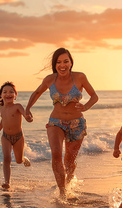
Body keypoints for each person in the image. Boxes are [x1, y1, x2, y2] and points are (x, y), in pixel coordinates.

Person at [25, 48, 98, 198]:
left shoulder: (80, 77)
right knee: (56, 155)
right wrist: (27, 109)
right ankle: (62, 192)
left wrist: (86, 106)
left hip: (77, 123)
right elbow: (36, 93)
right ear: (55, 64)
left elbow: (94, 96)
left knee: (69, 161)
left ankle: (68, 182)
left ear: (71, 63)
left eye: (66, 61)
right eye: (58, 62)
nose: (62, 65)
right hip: (55, 122)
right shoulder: (49, 79)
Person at [0, 81, 31, 189]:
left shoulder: (17, 106)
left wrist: (28, 117)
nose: (8, 94)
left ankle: (23, 158)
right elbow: (3, 121)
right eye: (5, 92)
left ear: (15, 95)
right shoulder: (1, 108)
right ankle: (7, 182)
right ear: (1, 95)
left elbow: (24, 114)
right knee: (6, 158)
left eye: (11, 92)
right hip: (5, 137)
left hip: (18, 137)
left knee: (18, 161)